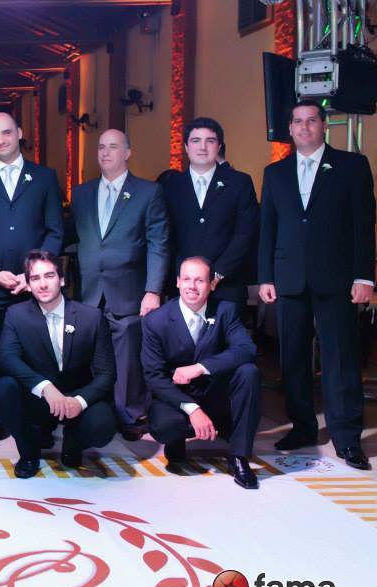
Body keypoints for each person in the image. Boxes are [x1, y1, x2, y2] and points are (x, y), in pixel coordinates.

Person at [258, 99, 375, 470]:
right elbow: (267, 228)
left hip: (336, 279)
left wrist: (364, 276)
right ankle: (303, 427)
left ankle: (347, 437)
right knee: (293, 358)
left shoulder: (352, 166)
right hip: (288, 279)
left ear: (323, 126)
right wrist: (265, 277)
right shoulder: (275, 173)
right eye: (298, 121)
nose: (304, 127)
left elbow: (363, 224)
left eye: (311, 120)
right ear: (289, 129)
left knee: (340, 358)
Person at [0, 111, 64, 449]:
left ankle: (40, 421)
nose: (1, 140)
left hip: (34, 289)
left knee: (38, 356)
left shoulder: (44, 178)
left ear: (19, 133)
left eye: (6, 133)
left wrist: (32, 275)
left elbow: (55, 231)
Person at [70, 128, 167, 439]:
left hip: (128, 290)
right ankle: (97, 412)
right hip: (89, 291)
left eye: (113, 147)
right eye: (101, 147)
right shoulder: (81, 193)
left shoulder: (148, 192)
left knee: (126, 358)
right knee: (91, 356)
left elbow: (158, 244)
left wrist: (153, 290)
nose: (105, 152)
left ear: (127, 153)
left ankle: (131, 415)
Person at [141, 257, 261, 489]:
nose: (192, 286)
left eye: (199, 280)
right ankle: (176, 440)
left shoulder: (226, 311)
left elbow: (247, 349)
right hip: (176, 398)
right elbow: (154, 376)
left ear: (212, 284)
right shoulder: (156, 320)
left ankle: (238, 456)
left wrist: (199, 368)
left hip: (214, 393)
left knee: (249, 372)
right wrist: (193, 409)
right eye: (187, 279)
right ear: (177, 282)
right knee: (167, 425)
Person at [0, 250, 116, 477]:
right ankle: (29, 454)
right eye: (35, 278)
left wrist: (79, 401)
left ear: (61, 279)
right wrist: (45, 387)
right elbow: (8, 359)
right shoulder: (16, 315)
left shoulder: (91, 317)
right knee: (4, 388)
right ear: (28, 285)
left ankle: (74, 443)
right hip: (40, 398)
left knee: (102, 426)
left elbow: (106, 374)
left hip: (77, 397)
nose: (42, 284)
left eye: (49, 276)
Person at [160, 117, 258, 316]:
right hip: (183, 287)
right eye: (196, 141)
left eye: (210, 141)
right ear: (186, 147)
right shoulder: (169, 186)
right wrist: (187, 276)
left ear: (219, 146)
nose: (202, 147)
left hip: (227, 284)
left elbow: (245, 234)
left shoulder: (239, 183)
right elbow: (165, 236)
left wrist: (216, 274)